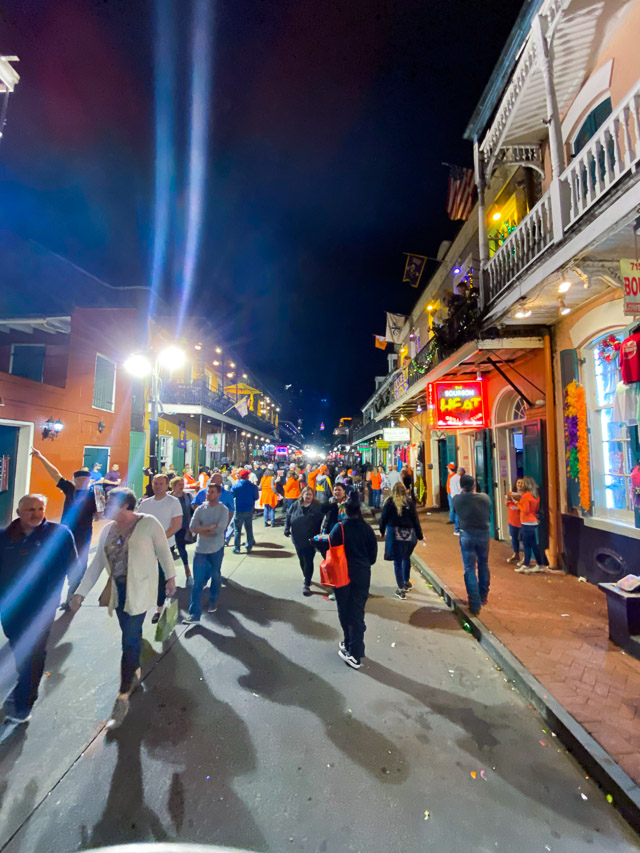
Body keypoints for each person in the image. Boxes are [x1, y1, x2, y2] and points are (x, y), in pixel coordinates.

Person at [70, 488, 176, 729]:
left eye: (110, 501)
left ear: (126, 505)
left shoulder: (148, 524)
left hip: (139, 590)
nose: (105, 504)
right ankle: (135, 666)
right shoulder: (107, 529)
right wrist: (79, 593)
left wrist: (170, 578)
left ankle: (123, 693)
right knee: (130, 634)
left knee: (128, 639)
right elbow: (97, 564)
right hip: (118, 592)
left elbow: (163, 552)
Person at [0, 494, 77, 729]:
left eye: (40, 508)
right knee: (18, 649)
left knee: (35, 652)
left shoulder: (60, 533)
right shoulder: (4, 537)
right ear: (19, 513)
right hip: (10, 606)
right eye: (30, 510)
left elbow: (73, 564)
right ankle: (24, 684)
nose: (36, 514)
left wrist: (74, 593)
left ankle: (24, 704)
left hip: (43, 605)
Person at [30, 448, 100, 606]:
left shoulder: (93, 495)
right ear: (75, 481)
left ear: (89, 481)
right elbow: (55, 474)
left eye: (85, 480)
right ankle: (59, 595)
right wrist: (41, 457)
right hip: (66, 532)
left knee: (80, 563)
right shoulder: (70, 489)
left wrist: (101, 509)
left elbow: (100, 515)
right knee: (63, 561)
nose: (83, 482)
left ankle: (72, 595)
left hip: (83, 533)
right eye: (80, 480)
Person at [330, 500, 378, 670]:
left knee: (345, 610)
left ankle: (353, 651)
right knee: (357, 611)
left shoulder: (339, 528)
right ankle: (353, 645)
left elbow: (331, 550)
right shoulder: (367, 530)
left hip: (343, 575)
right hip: (362, 574)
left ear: (345, 511)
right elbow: (372, 557)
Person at [183, 482, 230, 624]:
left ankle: (213, 600)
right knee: (198, 582)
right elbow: (192, 527)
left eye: (212, 492)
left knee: (216, 576)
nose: (209, 494)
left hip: (216, 548)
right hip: (201, 550)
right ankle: (194, 614)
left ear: (219, 493)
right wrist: (208, 528)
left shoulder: (223, 510)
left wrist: (202, 529)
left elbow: (219, 531)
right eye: (208, 492)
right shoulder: (200, 509)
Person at [138, 474, 182, 623]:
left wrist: (160, 540)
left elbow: (176, 525)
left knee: (162, 578)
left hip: (165, 547)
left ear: (167, 485)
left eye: (161, 484)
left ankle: (160, 609)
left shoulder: (173, 502)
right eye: (155, 484)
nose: (157, 487)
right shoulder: (145, 504)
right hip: (146, 548)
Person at [452, 474, 491, 615]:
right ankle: (483, 596)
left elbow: (456, 511)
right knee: (483, 564)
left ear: (462, 486)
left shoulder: (457, 499)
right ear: (474, 484)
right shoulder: (485, 498)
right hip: (483, 534)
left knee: (469, 568)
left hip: (467, 534)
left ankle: (474, 603)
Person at [379, 482, 424, 599]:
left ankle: (401, 588)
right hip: (409, 533)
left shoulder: (389, 502)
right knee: (406, 557)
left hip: (394, 533)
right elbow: (415, 520)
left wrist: (382, 530)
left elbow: (383, 518)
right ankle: (406, 581)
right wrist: (420, 535)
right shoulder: (409, 502)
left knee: (397, 561)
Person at [284, 486, 324, 595]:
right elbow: (288, 516)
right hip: (297, 538)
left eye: (310, 494)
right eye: (306, 494)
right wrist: (286, 529)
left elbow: (324, 521)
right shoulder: (295, 505)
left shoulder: (318, 507)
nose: (308, 496)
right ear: (302, 495)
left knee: (309, 560)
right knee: (301, 559)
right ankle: (306, 575)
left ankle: (307, 583)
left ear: (313, 496)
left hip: (311, 539)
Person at [516, 476, 544, 574]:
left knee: (527, 545)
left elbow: (525, 510)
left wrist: (518, 504)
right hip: (533, 522)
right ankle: (539, 565)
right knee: (533, 545)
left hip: (526, 522)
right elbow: (535, 510)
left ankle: (526, 565)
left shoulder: (526, 496)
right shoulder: (536, 495)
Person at [169, 476, 194, 585]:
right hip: (168, 527)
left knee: (182, 549)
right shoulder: (168, 497)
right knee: (168, 551)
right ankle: (168, 577)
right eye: (179, 484)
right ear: (173, 486)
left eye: (182, 484)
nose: (182, 486)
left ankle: (188, 573)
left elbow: (192, 510)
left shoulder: (187, 496)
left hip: (182, 527)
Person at [231, 469, 259, 554]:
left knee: (237, 530)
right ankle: (249, 546)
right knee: (249, 528)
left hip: (239, 509)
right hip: (249, 509)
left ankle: (237, 548)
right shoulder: (253, 487)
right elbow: (256, 497)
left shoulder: (236, 486)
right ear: (248, 476)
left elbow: (231, 496)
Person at [506, 479, 524, 564]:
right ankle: (516, 554)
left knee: (524, 539)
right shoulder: (510, 493)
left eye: (521, 483)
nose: (519, 485)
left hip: (521, 521)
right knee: (514, 538)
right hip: (512, 520)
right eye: (518, 483)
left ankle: (525, 557)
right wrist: (508, 500)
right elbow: (506, 503)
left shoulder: (525, 495)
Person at [449, 467, 465, 535]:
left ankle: (457, 529)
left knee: (456, 513)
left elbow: (450, 487)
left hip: (453, 496)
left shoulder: (452, 478)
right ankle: (458, 529)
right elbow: (460, 488)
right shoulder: (459, 478)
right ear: (461, 472)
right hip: (459, 496)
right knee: (459, 514)